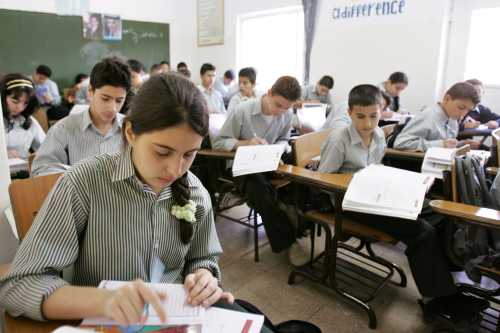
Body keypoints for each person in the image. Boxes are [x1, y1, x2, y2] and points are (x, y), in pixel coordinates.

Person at [0, 73, 245, 328]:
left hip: (176, 320)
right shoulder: (85, 183)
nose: (175, 169)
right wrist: (104, 300)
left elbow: (203, 258)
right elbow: (19, 284)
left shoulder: (196, 192)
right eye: (162, 152)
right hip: (105, 322)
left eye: (189, 155)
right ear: (130, 132)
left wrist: (204, 276)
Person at [318, 84, 488, 323]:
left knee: (440, 214)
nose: (368, 123)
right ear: (349, 113)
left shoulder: (378, 135)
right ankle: (435, 299)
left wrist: (396, 185)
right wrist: (362, 183)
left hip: (376, 194)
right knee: (422, 232)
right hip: (348, 201)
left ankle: (447, 287)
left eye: (374, 116)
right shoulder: (339, 138)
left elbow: (376, 167)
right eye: (360, 116)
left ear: (381, 112)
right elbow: (324, 180)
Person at [213, 76, 308, 265]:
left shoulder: (286, 114)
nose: (280, 111)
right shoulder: (243, 110)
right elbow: (218, 142)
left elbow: (284, 139)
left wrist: (279, 148)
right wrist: (246, 143)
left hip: (268, 161)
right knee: (258, 189)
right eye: (278, 105)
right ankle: (289, 240)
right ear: (270, 93)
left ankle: (292, 216)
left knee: (301, 174)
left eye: (286, 108)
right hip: (241, 165)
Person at [31, 58, 131, 176]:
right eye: (105, 99)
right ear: (90, 91)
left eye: (119, 100)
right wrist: (79, 176)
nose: (113, 108)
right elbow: (40, 170)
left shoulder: (132, 129)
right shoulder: (63, 129)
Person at [394, 82, 480, 151]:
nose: (463, 114)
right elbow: (401, 143)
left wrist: (461, 144)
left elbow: (446, 143)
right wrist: (440, 145)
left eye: (468, 110)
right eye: (461, 107)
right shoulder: (428, 116)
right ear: (447, 99)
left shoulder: (452, 119)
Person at [1, 73, 45, 159]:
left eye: (25, 103)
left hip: (22, 169)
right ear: (2, 97)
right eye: (15, 101)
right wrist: (3, 154)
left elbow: (46, 147)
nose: (20, 108)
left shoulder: (30, 121)